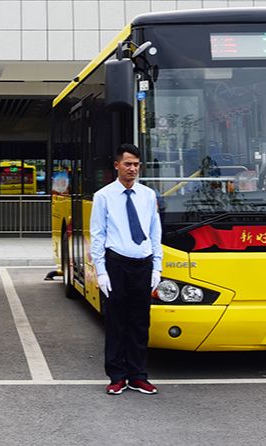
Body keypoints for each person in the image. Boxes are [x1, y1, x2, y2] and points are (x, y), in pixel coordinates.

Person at [89, 143, 162, 396]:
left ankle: (138, 376)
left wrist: (157, 267)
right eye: (128, 164)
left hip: (143, 264)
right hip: (116, 264)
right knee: (116, 322)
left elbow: (155, 231)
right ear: (117, 165)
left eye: (136, 165)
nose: (132, 169)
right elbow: (98, 235)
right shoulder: (104, 196)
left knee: (140, 323)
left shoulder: (148, 195)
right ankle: (117, 376)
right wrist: (101, 271)